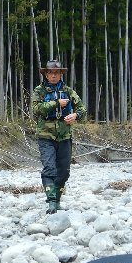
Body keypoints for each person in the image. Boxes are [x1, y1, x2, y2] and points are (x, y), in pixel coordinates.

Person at [32, 59, 87, 214]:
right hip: (46, 136)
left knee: (64, 172)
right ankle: (51, 202)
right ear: (46, 74)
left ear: (61, 74)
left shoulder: (68, 91)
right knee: (49, 169)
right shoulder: (40, 91)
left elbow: (82, 109)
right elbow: (36, 109)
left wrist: (75, 115)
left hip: (64, 136)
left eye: (56, 73)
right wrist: (56, 103)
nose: (54, 75)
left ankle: (57, 201)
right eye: (51, 73)